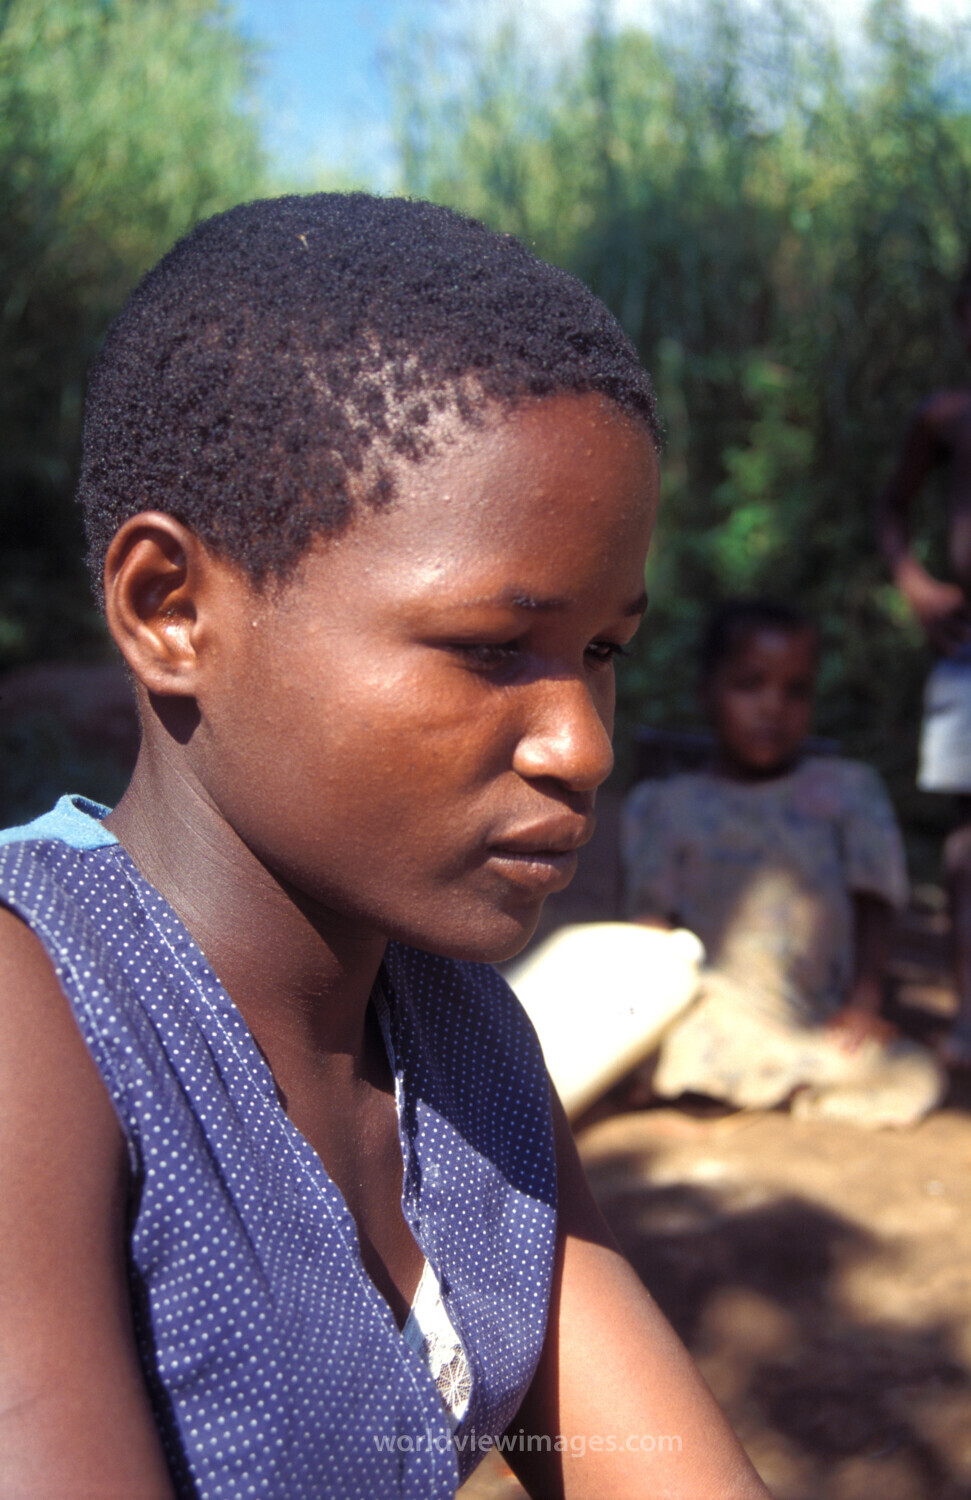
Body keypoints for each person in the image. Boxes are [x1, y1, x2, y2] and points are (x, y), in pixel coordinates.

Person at [0, 195, 769, 1499]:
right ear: (170, 609)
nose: (578, 745)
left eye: (602, 653)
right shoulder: (47, 1026)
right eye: (487, 648)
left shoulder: (463, 1044)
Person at [622, 600, 943, 1127]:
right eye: (750, 684)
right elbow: (648, 928)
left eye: (796, 690)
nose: (773, 706)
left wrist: (865, 1002)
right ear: (706, 692)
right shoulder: (664, 805)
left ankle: (767, 1083)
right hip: (711, 1007)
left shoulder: (847, 790)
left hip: (812, 1020)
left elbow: (875, 903)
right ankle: (754, 1081)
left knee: (910, 1073)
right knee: (686, 1038)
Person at [878, 258, 971, 1068]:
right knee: (966, 844)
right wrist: (914, 582)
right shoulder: (945, 418)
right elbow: (892, 509)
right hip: (966, 653)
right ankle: (967, 1013)